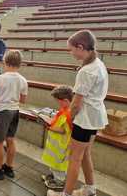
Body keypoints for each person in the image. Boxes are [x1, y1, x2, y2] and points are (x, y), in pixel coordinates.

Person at [47, 30, 109, 196]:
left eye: (72, 49)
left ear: (80, 47)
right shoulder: (98, 64)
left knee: (75, 158)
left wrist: (67, 120)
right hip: (95, 117)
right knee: (85, 153)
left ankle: (65, 194)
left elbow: (76, 103)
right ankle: (90, 188)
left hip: (85, 119)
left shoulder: (86, 70)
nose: (71, 52)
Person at [0, 50, 28, 180]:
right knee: (10, 139)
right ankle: (9, 167)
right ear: (20, 64)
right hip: (15, 111)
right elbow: (23, 100)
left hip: (2, 112)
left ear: (5, 62)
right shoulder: (23, 80)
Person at [41, 86, 73, 190]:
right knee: (54, 162)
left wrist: (49, 126)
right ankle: (54, 176)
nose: (57, 103)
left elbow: (63, 130)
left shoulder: (68, 114)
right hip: (56, 144)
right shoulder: (64, 109)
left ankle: (59, 181)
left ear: (65, 100)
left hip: (62, 145)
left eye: (58, 101)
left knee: (59, 165)